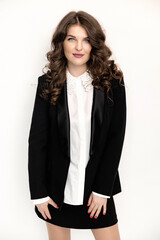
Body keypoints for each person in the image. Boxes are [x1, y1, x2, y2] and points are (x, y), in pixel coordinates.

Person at [28, 10, 127, 240]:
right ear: (62, 43)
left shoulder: (113, 82)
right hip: (56, 191)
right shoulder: (48, 83)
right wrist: (39, 194)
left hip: (97, 190)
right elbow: (37, 140)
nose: (79, 47)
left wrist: (103, 190)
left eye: (86, 40)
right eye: (72, 39)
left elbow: (116, 138)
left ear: (94, 44)